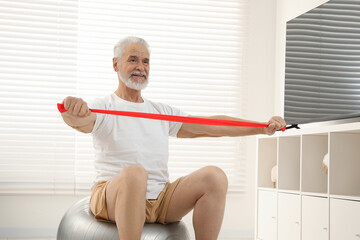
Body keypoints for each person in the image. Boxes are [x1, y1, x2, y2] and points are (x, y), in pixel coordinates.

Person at [60, 36, 286, 240]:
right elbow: (81, 121)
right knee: (135, 173)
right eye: (133, 60)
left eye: (146, 61)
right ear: (116, 64)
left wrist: (261, 127)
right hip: (113, 196)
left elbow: (211, 126)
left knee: (214, 177)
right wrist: (73, 111)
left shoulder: (160, 111)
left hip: (160, 198)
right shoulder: (104, 106)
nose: (140, 67)